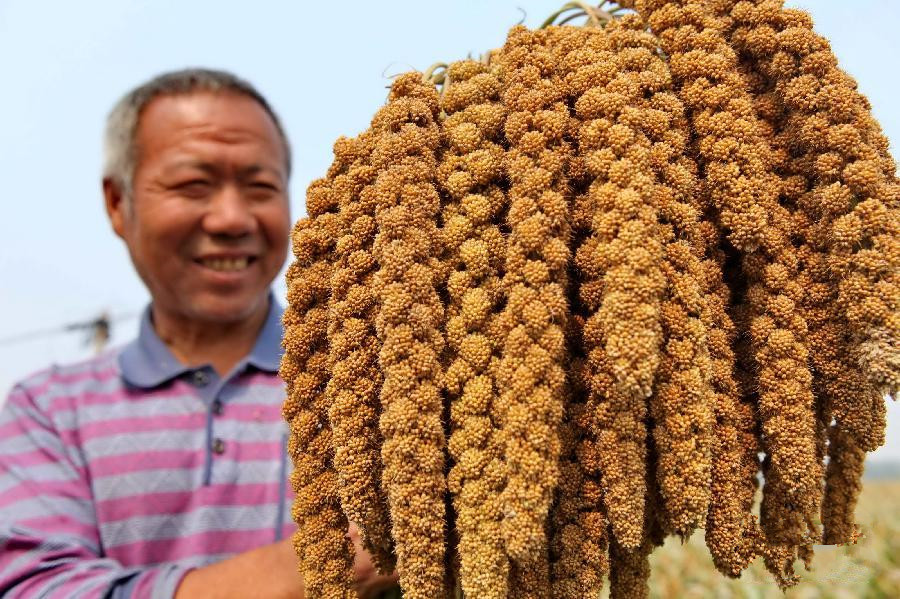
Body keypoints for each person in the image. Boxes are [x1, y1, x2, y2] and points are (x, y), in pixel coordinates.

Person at [0, 69, 396, 598]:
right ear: (118, 203)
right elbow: (38, 589)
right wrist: (335, 560)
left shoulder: (381, 379)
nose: (232, 219)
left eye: (261, 187)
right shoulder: (50, 412)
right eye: (193, 185)